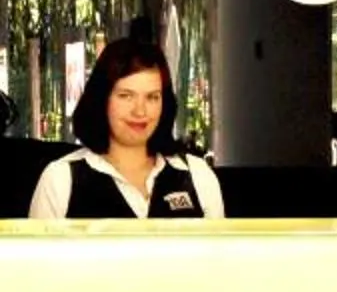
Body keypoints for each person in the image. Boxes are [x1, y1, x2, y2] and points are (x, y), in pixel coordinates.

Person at [27, 34, 226, 220]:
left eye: (152, 97)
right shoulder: (60, 179)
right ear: (102, 99)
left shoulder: (197, 176)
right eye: (126, 96)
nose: (140, 111)